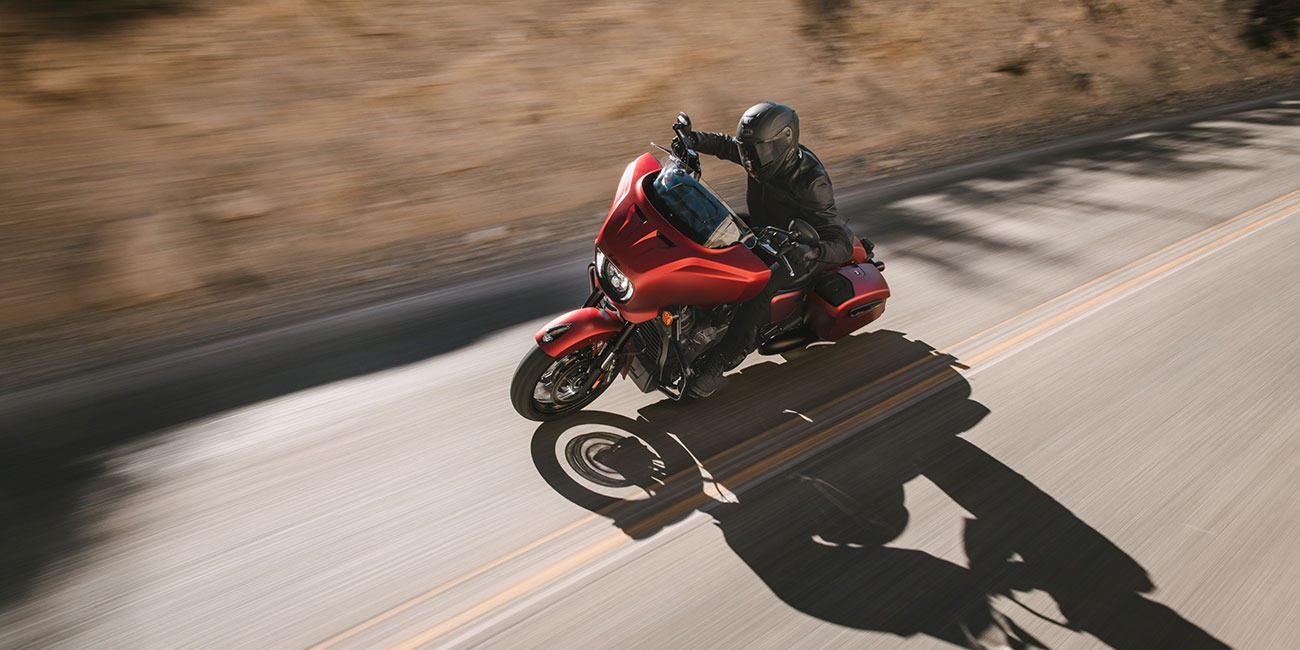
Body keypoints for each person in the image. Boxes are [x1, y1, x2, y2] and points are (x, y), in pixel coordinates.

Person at [677, 101, 855, 397]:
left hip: (798, 249)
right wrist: (693, 140)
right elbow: (726, 145)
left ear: (783, 143)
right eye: (748, 149)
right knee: (706, 227)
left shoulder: (812, 182)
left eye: (757, 150)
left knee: (760, 289)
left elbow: (841, 241)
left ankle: (720, 362)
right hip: (763, 231)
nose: (749, 159)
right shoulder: (760, 154)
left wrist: (813, 252)